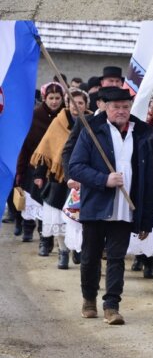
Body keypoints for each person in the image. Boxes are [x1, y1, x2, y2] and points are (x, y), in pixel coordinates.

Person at [68, 86, 153, 325]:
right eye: (116, 107)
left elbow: (148, 179)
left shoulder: (142, 133)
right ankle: (89, 299)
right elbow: (75, 166)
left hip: (125, 208)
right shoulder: (91, 131)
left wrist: (146, 218)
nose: (121, 111)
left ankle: (112, 306)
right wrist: (103, 180)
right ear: (105, 107)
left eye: (125, 107)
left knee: (117, 258)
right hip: (96, 205)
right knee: (90, 257)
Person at [30, 88, 90, 269]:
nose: (76, 106)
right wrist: (40, 174)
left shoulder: (92, 123)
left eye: (80, 103)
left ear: (86, 105)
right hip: (59, 177)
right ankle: (62, 250)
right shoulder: (58, 123)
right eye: (72, 102)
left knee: (79, 217)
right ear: (67, 104)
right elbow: (46, 149)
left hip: (82, 178)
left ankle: (77, 249)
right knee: (58, 216)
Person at [16, 82, 66, 249]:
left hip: (57, 169)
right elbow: (25, 146)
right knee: (37, 203)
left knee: (52, 205)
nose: (54, 102)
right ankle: (40, 237)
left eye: (57, 98)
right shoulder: (35, 116)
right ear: (44, 98)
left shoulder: (65, 117)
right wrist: (20, 171)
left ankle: (50, 239)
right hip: (35, 167)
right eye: (50, 98)